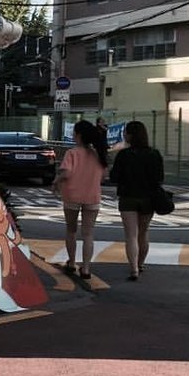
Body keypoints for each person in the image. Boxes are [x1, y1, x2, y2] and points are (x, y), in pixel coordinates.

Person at [53, 120, 108, 280]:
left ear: (78, 135)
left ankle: (71, 262)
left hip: (72, 195)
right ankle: (86, 268)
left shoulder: (72, 153)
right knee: (88, 234)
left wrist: (56, 181)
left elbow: (67, 173)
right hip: (92, 196)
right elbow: (104, 175)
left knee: (71, 230)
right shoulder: (98, 154)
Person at [109, 120, 163, 281]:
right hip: (149, 198)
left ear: (131, 135)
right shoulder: (154, 154)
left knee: (131, 235)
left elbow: (114, 177)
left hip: (128, 197)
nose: (124, 134)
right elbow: (159, 178)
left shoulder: (124, 155)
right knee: (144, 232)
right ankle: (140, 264)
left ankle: (133, 269)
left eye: (126, 132)